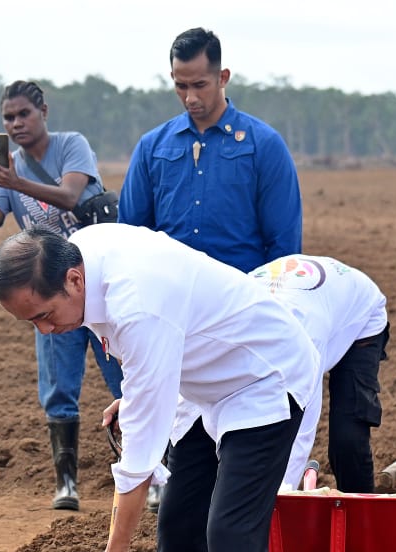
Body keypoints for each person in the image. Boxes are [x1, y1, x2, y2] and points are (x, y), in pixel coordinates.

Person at [0, 223, 321, 552]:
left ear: (74, 281)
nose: (45, 331)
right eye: (30, 323)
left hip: (263, 376)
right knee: (181, 529)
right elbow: (149, 353)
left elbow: (138, 462)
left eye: (45, 315)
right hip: (200, 381)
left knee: (229, 535)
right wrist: (143, 389)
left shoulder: (136, 301)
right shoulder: (80, 256)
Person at [117, 27, 303, 510]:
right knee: (188, 439)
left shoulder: (263, 145)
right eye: (180, 85)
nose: (190, 96)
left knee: (240, 433)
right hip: (177, 321)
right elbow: (130, 239)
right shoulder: (153, 147)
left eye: (199, 84)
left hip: (243, 321)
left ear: (222, 77)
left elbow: (284, 248)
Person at [0, 80, 124, 511]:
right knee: (59, 385)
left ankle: (151, 476)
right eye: (8, 117)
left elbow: (70, 194)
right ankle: (67, 483)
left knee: (124, 377)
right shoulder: (9, 169)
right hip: (47, 291)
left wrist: (15, 181)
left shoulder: (70, 146)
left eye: (24, 114)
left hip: (93, 284)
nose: (16, 123)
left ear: (44, 112)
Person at [173, 255, 389, 492]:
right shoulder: (222, 328)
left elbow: (299, 427)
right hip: (301, 296)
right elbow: (190, 407)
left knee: (347, 437)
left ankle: (361, 519)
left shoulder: (298, 341)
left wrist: (279, 491)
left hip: (358, 316)